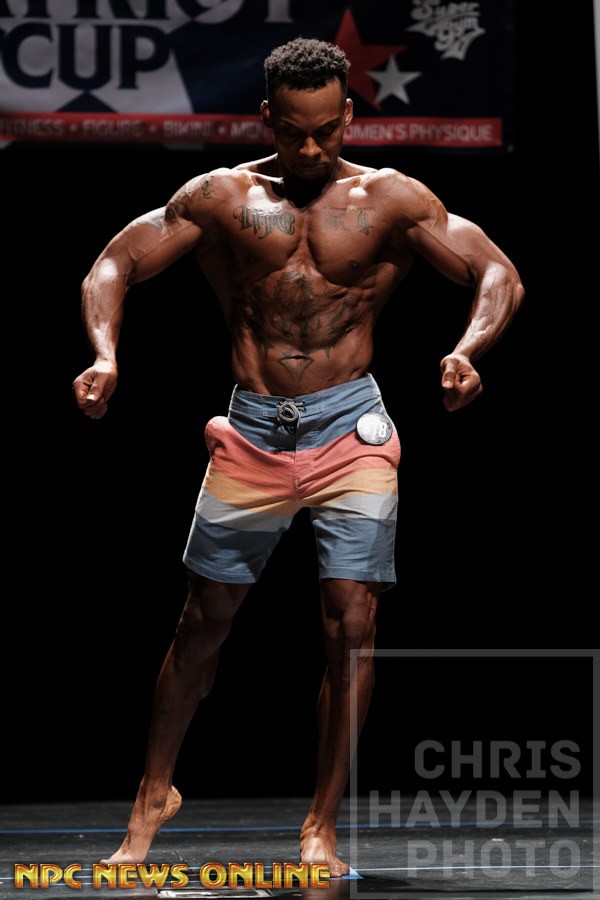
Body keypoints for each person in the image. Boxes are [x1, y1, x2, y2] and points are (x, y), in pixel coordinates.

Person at [72, 37, 525, 876]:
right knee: (203, 622)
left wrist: (469, 350)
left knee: (352, 625)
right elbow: (115, 262)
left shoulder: (392, 199)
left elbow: (496, 272)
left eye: (326, 130)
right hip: (252, 430)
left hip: (353, 431)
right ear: (268, 118)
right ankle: (152, 797)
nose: (311, 148)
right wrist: (105, 354)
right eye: (293, 131)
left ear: (348, 114)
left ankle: (321, 824)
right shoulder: (221, 196)